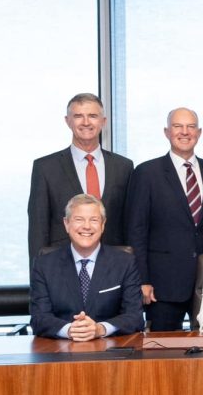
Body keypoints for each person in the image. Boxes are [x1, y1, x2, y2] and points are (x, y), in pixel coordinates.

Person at [125, 107, 203, 331]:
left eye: (191, 127)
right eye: (178, 126)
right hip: (162, 285)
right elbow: (136, 230)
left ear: (199, 133)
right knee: (163, 352)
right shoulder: (147, 173)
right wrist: (142, 280)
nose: (185, 132)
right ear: (166, 132)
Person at [28, 93, 134, 267]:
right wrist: (37, 280)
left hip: (113, 268)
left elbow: (130, 224)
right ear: (68, 121)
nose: (86, 122)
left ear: (103, 121)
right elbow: (37, 230)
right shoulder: (45, 168)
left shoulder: (124, 167)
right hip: (61, 268)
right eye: (78, 116)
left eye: (92, 116)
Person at [29, 194, 144, 339]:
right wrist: (70, 330)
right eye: (79, 219)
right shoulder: (44, 265)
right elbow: (38, 318)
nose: (87, 226)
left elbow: (135, 317)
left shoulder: (125, 262)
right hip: (59, 352)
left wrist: (100, 329)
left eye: (94, 220)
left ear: (103, 225)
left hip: (111, 351)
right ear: (66, 224)